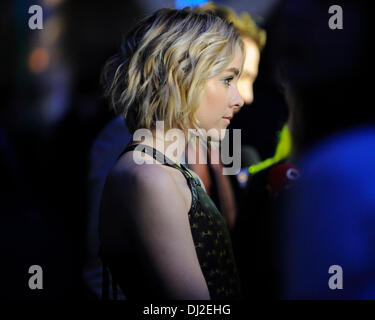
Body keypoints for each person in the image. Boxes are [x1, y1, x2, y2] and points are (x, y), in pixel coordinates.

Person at [98, 7, 245, 300]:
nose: (238, 99)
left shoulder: (164, 170)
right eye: (227, 80)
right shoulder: (150, 178)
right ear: (181, 75)